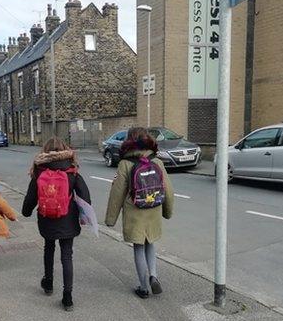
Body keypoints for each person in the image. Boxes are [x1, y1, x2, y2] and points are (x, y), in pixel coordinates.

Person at [104, 127, 174, 299]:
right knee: (151, 242)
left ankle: (143, 288)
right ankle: (154, 276)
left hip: (135, 210)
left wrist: (110, 219)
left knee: (138, 247)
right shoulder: (156, 161)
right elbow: (169, 190)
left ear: (128, 140)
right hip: (154, 209)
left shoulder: (125, 163)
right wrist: (168, 211)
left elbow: (117, 193)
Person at [22, 138, 91, 311]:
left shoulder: (39, 171)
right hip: (68, 219)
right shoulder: (72, 171)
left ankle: (48, 283)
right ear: (64, 150)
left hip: (47, 219)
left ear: (44, 152)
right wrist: (84, 216)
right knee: (67, 256)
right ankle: (68, 296)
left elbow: (31, 198)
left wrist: (26, 211)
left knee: (48, 248)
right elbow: (86, 198)